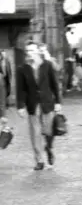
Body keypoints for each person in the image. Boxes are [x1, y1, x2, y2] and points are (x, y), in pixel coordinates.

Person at [16, 41, 62, 170]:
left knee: (49, 130)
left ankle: (49, 147)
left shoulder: (47, 65)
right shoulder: (22, 69)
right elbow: (21, 89)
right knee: (35, 132)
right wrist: (20, 106)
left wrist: (58, 102)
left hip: (47, 102)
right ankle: (39, 160)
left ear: (37, 51)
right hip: (33, 104)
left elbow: (54, 84)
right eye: (27, 51)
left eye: (32, 50)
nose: (29, 53)